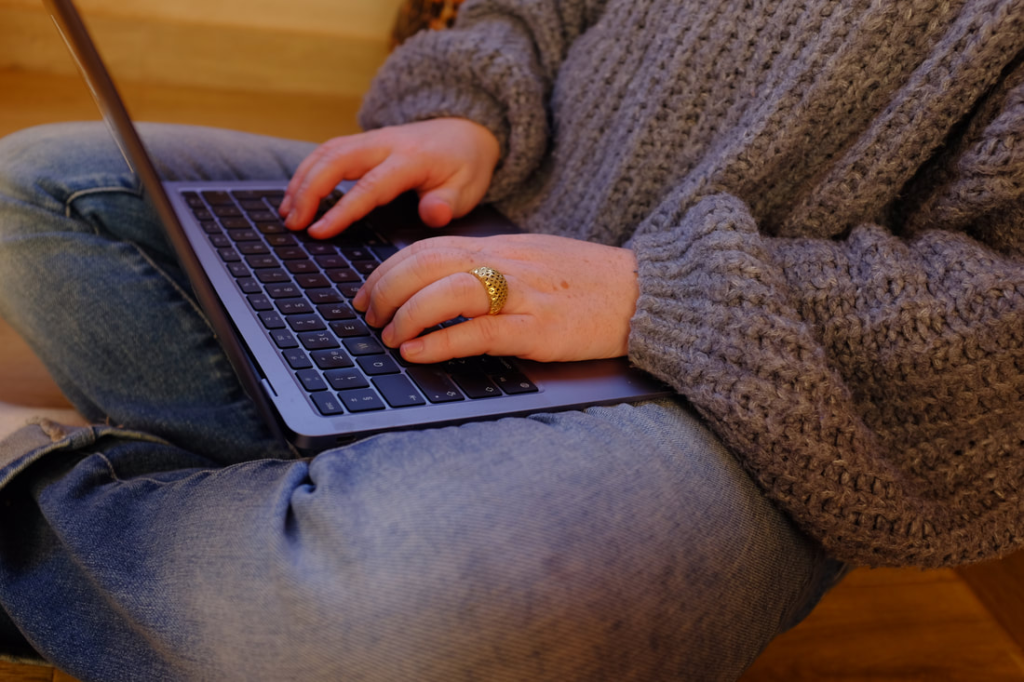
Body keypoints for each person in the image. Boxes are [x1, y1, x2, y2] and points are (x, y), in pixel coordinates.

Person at [1, 0, 1023, 679]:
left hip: (756, 397)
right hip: (498, 209)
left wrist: (657, 293)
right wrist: (470, 110)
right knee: (38, 188)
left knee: (388, 619)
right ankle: (272, 522)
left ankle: (55, 510)